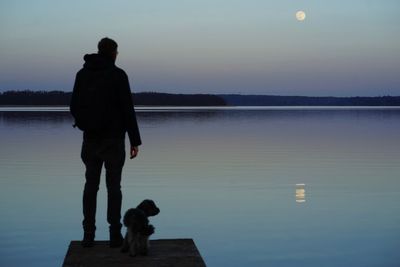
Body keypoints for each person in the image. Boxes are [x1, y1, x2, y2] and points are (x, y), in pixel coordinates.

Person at [70, 37, 142, 248]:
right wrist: (134, 141)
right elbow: (128, 109)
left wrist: (84, 124)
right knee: (114, 188)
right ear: (113, 53)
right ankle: (114, 235)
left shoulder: (82, 74)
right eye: (117, 52)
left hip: (90, 140)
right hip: (113, 140)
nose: (117, 55)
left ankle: (88, 235)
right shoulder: (118, 75)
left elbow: (73, 105)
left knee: (90, 186)